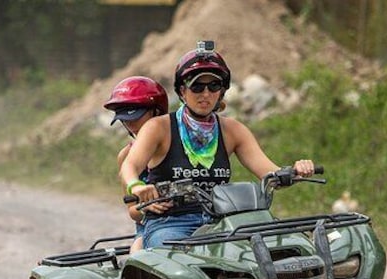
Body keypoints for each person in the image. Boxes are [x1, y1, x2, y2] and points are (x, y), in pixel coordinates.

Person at [120, 41, 315, 249]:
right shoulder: (158, 127)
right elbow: (129, 165)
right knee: (170, 261)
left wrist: (296, 171)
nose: (205, 94)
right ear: (182, 91)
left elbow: (271, 174)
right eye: (197, 86)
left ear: (221, 92)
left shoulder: (233, 130)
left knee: (269, 251)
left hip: (223, 222)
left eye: (213, 86)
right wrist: (136, 185)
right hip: (171, 224)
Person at [104, 76, 169, 253]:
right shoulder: (126, 156)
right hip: (149, 225)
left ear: (157, 112)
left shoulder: (177, 144)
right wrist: (145, 207)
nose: (131, 125)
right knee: (138, 250)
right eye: (125, 120)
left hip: (188, 216)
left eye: (136, 117)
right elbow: (132, 210)